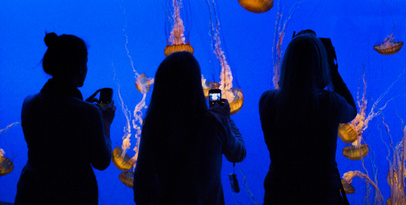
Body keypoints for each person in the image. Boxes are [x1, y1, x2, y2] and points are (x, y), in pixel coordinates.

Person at [15, 32, 116, 205]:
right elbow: (102, 161)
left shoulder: (29, 103)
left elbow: (58, 118)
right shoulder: (88, 112)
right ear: (80, 66)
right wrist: (105, 122)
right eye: (86, 63)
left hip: (31, 192)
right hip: (73, 195)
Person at [133, 51, 246, 205]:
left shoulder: (153, 125)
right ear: (196, 85)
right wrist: (225, 118)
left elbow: (141, 185)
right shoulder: (214, 124)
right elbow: (238, 153)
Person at [259, 31, 357, 204]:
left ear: (287, 63)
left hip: (278, 196)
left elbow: (293, 98)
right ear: (321, 65)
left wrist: (297, 54)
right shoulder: (329, 103)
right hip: (322, 196)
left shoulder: (267, 101)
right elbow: (351, 111)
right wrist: (332, 69)